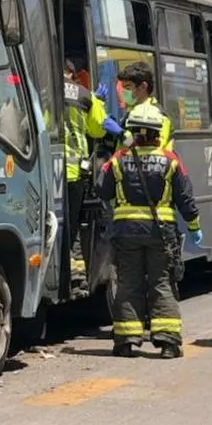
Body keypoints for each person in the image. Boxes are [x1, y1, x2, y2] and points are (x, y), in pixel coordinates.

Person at [97, 102, 203, 359]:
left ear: (132, 131)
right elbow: (185, 199)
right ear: (158, 133)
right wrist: (194, 226)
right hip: (161, 233)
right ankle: (167, 343)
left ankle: (125, 341)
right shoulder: (171, 161)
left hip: (126, 233)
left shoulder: (118, 160)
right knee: (161, 284)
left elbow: (103, 190)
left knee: (128, 284)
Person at [63, 60, 123, 291]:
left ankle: (68, 274)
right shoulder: (84, 95)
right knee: (75, 225)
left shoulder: (44, 92)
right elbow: (98, 129)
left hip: (50, 172)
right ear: (73, 73)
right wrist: (96, 101)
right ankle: (76, 278)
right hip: (75, 172)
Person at [98, 62, 172, 151]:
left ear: (143, 86)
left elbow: (149, 149)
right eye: (123, 88)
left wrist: (120, 134)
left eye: (128, 88)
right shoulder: (132, 111)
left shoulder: (158, 116)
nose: (124, 92)